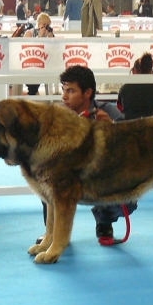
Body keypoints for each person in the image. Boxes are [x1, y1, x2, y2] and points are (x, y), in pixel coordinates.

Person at [36, 65, 136, 243]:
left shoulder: (106, 110)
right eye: (63, 90)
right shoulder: (56, 116)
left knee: (129, 202)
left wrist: (111, 126)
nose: (64, 96)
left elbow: (128, 143)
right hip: (67, 178)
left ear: (87, 92)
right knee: (48, 183)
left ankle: (104, 221)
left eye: (71, 91)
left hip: (100, 177)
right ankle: (52, 233)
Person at [117, 52, 153, 120]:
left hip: (130, 128)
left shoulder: (124, 89)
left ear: (134, 71)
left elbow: (120, 111)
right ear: (151, 72)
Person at [23, 12, 54, 96]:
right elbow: (26, 50)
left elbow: (54, 50)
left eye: (48, 25)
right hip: (30, 64)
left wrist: (50, 37)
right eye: (44, 25)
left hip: (44, 65)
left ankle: (34, 92)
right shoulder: (29, 33)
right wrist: (39, 38)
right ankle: (33, 92)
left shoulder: (48, 35)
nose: (46, 27)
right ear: (39, 24)